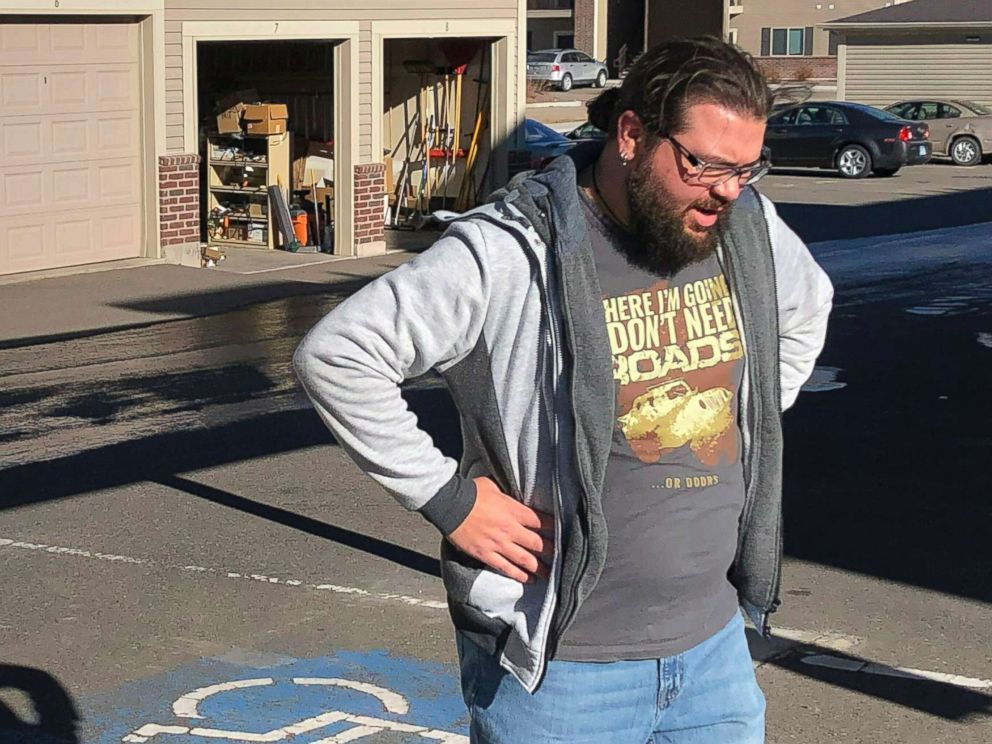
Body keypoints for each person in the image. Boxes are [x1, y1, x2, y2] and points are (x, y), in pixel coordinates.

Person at [294, 36, 833, 743]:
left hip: (713, 654)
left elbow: (807, 305)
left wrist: (749, 421)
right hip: (561, 677)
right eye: (704, 165)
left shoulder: (743, 228)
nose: (728, 190)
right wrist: (449, 499)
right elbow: (338, 355)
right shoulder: (512, 249)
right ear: (633, 134)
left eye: (746, 168)